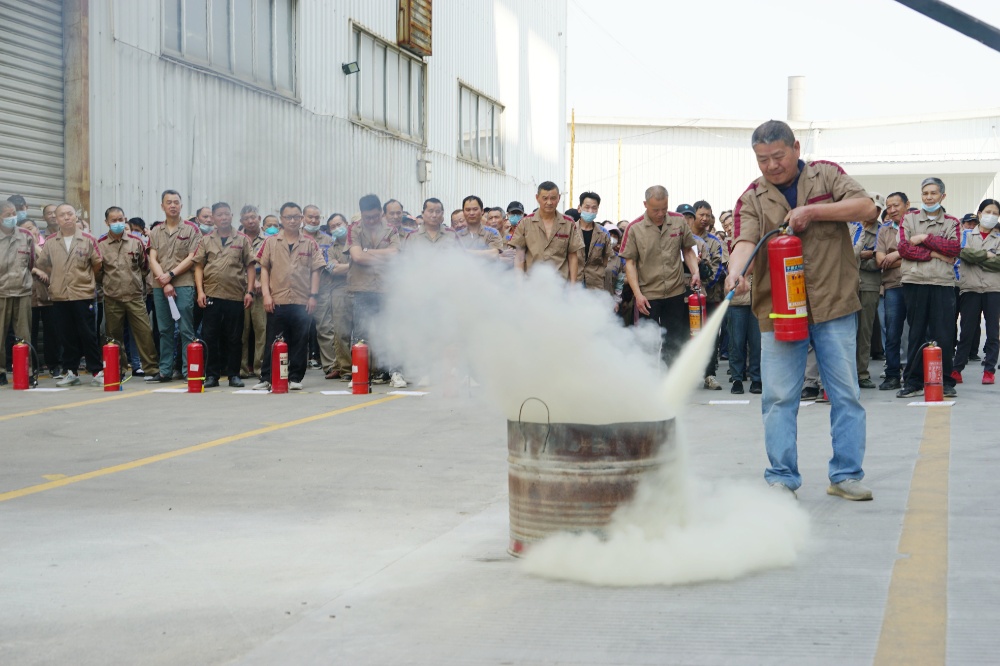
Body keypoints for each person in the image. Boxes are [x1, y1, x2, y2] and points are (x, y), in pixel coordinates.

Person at [726, 119, 876, 501]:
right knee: (778, 398)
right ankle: (781, 478)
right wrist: (735, 273)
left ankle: (846, 476)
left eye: (778, 156)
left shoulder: (827, 175)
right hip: (779, 311)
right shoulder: (752, 197)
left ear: (795, 148)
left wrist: (814, 212)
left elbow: (866, 207)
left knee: (845, 393)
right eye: (762, 159)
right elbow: (744, 241)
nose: (771, 165)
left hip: (834, 304)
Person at [620, 185, 700, 367]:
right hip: (648, 295)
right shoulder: (634, 228)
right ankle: (647, 378)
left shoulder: (679, 221)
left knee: (674, 340)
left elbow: (688, 250)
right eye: (656, 210)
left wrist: (695, 272)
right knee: (647, 341)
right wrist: (638, 295)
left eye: (664, 208)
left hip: (675, 291)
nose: (660, 213)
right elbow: (630, 264)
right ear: (645, 204)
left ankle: (669, 376)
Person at [896, 177, 960, 399]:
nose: (929, 197)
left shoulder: (952, 222)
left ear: (943, 196)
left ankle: (945, 381)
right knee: (916, 333)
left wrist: (924, 237)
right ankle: (913, 381)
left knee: (944, 334)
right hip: (915, 282)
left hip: (942, 283)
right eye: (925, 193)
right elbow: (904, 249)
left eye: (933, 193)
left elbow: (954, 248)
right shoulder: (909, 218)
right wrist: (935, 253)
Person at [254, 202, 325, 391]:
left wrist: (313, 296)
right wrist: (267, 296)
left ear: (301, 219)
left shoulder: (310, 243)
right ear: (282, 219)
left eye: (296, 217)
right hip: (277, 300)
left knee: (300, 340)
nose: (292, 221)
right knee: (272, 340)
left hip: (302, 300)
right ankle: (267, 377)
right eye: (288, 217)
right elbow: (264, 269)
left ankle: (295, 377)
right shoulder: (270, 242)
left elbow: (316, 271)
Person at [35, 204, 105, 387]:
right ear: (57, 219)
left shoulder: (88, 240)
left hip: (83, 294)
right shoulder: (51, 241)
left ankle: (97, 371)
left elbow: (97, 264)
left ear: (76, 217)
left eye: (69, 214)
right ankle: (71, 372)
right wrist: (58, 276)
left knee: (88, 334)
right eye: (62, 215)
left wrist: (85, 279)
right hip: (60, 295)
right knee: (66, 336)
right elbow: (44, 264)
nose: (66, 218)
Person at [194, 202, 256, 388]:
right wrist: (200, 291)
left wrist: (250, 292)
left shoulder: (242, 240)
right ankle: (212, 375)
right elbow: (198, 267)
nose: (223, 218)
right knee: (210, 336)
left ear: (232, 216)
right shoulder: (205, 240)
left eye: (226, 214)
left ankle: (234, 374)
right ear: (213, 218)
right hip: (212, 294)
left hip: (235, 295)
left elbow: (250, 266)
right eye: (219, 215)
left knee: (235, 337)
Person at [97, 206, 159, 381]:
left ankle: (151, 369)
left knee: (144, 333)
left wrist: (134, 282)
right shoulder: (100, 244)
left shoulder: (135, 241)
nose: (117, 223)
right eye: (113, 220)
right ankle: (118, 369)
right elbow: (98, 271)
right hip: (112, 297)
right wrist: (109, 284)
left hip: (135, 296)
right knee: (113, 336)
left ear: (125, 220)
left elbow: (144, 267)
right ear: (107, 222)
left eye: (120, 220)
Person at [348, 194, 404, 387]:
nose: (371, 221)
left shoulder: (391, 230)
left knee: (391, 330)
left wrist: (366, 252)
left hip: (387, 287)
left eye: (374, 216)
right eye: (367, 217)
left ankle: (395, 372)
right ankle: (360, 374)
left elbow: (395, 254)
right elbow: (356, 257)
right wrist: (381, 256)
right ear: (361, 214)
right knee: (361, 333)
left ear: (381, 212)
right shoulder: (354, 229)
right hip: (362, 287)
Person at [148, 190, 201, 381]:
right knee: (164, 329)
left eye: (176, 202)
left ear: (181, 205)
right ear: (162, 206)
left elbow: (192, 257)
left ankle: (189, 370)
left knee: (186, 329)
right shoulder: (156, 231)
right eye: (169, 202)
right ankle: (165, 370)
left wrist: (170, 275)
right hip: (159, 285)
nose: (172, 205)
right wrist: (163, 281)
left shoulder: (192, 229)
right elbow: (152, 258)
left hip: (183, 283)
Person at [951, 198, 1000, 384]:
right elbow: (963, 253)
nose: (991, 216)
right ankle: (957, 369)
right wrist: (987, 256)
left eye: (995, 213)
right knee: (967, 331)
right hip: (970, 288)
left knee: (993, 332)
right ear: (980, 214)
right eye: (988, 212)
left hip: (993, 289)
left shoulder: (999, 237)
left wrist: (976, 259)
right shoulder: (966, 234)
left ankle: (989, 370)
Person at [509, 182, 584, 280]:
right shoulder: (525, 223)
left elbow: (572, 256)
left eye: (553, 198)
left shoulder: (568, 223)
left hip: (560, 284)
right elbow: (519, 256)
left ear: (559, 198)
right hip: (532, 283)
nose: (549, 202)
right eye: (545, 198)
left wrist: (573, 286)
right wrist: (519, 283)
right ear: (537, 198)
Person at [691, 201, 728, 390]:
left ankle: (709, 375)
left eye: (708, 215)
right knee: (686, 335)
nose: (705, 218)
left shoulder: (714, 242)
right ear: (693, 215)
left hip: (710, 297)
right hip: (685, 297)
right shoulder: (684, 238)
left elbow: (717, 268)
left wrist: (702, 286)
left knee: (711, 336)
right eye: (701, 215)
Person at [0, 200, 36, 386]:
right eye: (8, 215)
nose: (12, 217)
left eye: (14, 213)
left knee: (24, 335)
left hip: (22, 292)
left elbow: (31, 262)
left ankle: (26, 371)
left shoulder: (26, 235)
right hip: (1, 293)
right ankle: (1, 372)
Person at [875, 192, 908, 390]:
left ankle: (913, 374)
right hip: (892, 286)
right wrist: (907, 258)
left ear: (907, 205)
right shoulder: (884, 231)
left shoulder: (914, 226)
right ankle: (892, 375)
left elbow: (921, 255)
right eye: (889, 206)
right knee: (892, 332)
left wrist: (894, 255)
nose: (893, 209)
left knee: (917, 331)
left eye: (896, 205)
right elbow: (880, 261)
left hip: (914, 284)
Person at [853, 194, 886, 389]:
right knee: (845, 330)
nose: (873, 212)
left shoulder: (882, 231)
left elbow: (879, 262)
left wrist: (859, 258)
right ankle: (846, 373)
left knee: (864, 332)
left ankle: (861, 373)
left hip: (869, 285)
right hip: (847, 284)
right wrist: (864, 255)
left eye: (877, 209)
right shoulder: (850, 226)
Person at [238, 205, 267, 379]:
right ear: (241, 221)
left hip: (262, 291)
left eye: (253, 217)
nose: (250, 221)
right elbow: (233, 265)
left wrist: (261, 282)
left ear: (259, 218)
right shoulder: (237, 239)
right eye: (246, 218)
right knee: (242, 330)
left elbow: (271, 265)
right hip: (240, 290)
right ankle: (241, 368)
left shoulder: (269, 240)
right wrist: (251, 281)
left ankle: (260, 368)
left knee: (261, 329)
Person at [323, 213, 353, 381]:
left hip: (360, 289)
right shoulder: (330, 249)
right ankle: (346, 368)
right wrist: (356, 264)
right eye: (333, 227)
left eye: (339, 224)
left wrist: (344, 267)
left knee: (363, 330)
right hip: (339, 291)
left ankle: (366, 366)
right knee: (341, 331)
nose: (337, 228)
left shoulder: (357, 243)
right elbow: (333, 270)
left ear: (347, 223)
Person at [575, 192, 616, 294]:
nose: (590, 211)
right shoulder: (571, 230)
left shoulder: (603, 233)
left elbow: (606, 259)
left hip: (595, 284)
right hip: (573, 282)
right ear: (579, 208)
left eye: (594, 208)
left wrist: (597, 272)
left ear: (597, 210)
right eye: (587, 207)